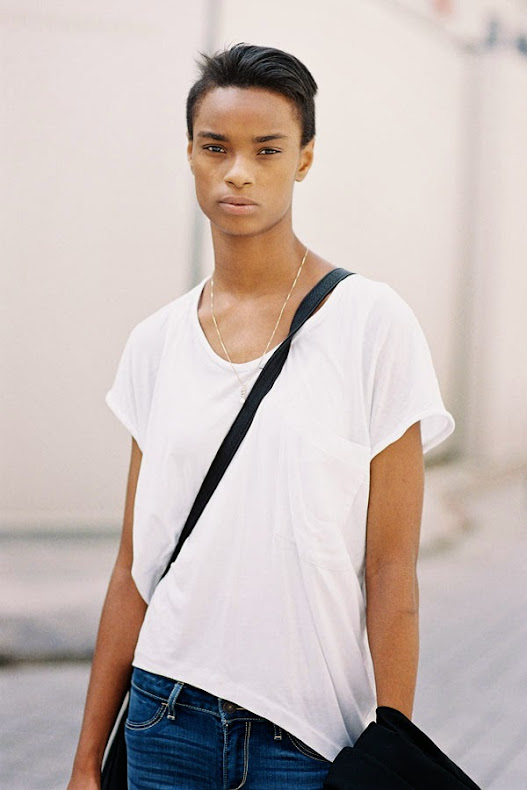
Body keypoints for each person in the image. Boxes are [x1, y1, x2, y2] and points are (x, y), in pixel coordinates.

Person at [67, 43, 455, 790]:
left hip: (304, 739)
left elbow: (390, 571)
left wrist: (390, 761)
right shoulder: (155, 344)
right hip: (160, 721)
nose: (238, 171)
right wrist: (87, 762)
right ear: (190, 154)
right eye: (216, 147)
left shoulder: (372, 324)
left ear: (304, 158)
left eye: (266, 150)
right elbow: (134, 566)